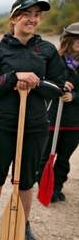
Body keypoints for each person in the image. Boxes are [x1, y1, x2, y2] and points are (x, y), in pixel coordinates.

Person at [0, 0, 67, 240]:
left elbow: (59, 87)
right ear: (14, 18)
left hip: (35, 126)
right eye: (27, 14)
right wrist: (14, 76)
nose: (33, 19)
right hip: (0, 125)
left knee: (26, 179)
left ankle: (24, 223)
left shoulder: (47, 50)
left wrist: (36, 82)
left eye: (37, 15)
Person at [37, 22, 79, 202]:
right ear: (67, 40)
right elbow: (43, 82)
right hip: (53, 117)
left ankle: (58, 186)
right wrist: (59, 87)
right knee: (45, 155)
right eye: (76, 38)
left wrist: (74, 96)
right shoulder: (56, 61)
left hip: (74, 121)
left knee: (64, 157)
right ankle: (44, 185)